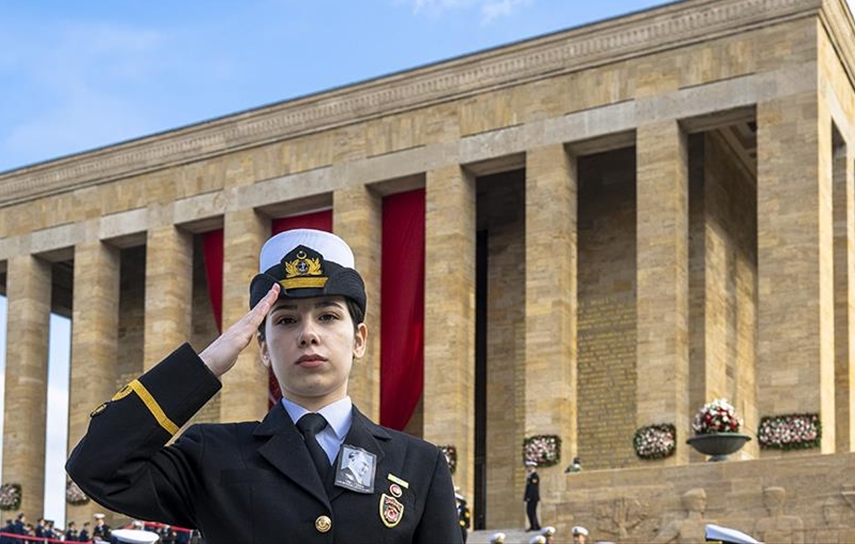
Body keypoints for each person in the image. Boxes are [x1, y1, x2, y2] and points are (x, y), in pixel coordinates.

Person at [67, 229, 460, 543]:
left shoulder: (419, 464)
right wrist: (207, 364)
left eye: (327, 316)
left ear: (358, 340)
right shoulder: (212, 454)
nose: (308, 334)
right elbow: (96, 468)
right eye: (286, 320)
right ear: (263, 348)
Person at [524, 461, 542, 531]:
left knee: (531, 512)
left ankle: (535, 526)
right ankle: (534, 525)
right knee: (530, 512)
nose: (528, 468)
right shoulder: (530, 476)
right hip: (531, 497)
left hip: (533, 498)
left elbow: (533, 488)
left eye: (529, 467)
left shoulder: (534, 476)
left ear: (532, 467)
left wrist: (529, 497)